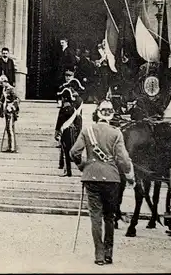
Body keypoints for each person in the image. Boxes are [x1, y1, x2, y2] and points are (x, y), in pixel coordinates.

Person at [70, 100, 135, 266]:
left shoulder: (87, 130)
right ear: (111, 115)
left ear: (97, 113)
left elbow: (74, 152)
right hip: (112, 179)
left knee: (95, 218)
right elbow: (124, 160)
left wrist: (83, 166)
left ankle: (98, 256)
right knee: (109, 217)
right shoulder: (116, 133)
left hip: (91, 177)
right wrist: (128, 173)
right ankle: (108, 254)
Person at [55, 88, 82, 177]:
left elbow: (59, 123)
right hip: (72, 131)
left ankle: (67, 171)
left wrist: (57, 133)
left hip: (65, 132)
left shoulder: (63, 110)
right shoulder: (73, 109)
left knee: (65, 151)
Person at [0, 75, 21, 153]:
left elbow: (17, 100)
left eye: (1, 83)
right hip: (6, 110)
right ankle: (9, 146)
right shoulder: (4, 89)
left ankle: (12, 148)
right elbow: (2, 98)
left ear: (5, 82)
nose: (0, 85)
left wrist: (12, 107)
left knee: (10, 129)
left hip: (11, 111)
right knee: (8, 129)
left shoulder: (11, 89)